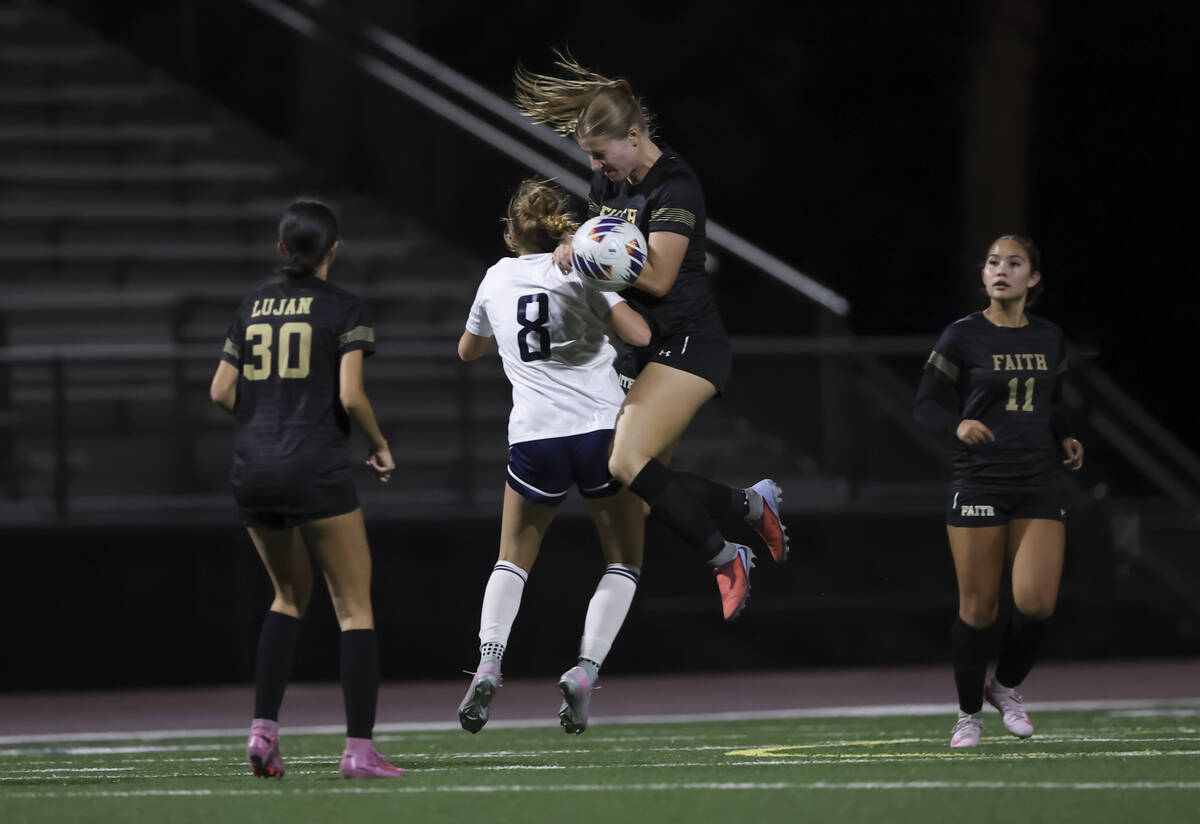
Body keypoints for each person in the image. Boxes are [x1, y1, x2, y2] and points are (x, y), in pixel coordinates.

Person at [512, 53, 790, 622]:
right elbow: (604, 247)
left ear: (634, 136)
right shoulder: (607, 181)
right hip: (643, 347)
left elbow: (658, 276)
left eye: (601, 153)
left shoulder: (677, 187)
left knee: (627, 460)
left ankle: (726, 556)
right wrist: (573, 242)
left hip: (691, 344)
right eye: (589, 156)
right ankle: (748, 502)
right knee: (635, 494)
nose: (594, 165)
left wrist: (588, 252)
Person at [209, 200, 405, 779]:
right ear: (333, 250)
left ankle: (263, 733)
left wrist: (267, 417)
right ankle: (359, 750)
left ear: (281, 250)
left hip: (254, 470)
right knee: (354, 607)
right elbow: (350, 397)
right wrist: (379, 445)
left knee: (287, 597)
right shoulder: (344, 307)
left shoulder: (251, 304)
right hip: (314, 466)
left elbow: (221, 390)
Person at [456, 179, 651, 735]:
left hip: (535, 436)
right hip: (600, 432)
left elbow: (467, 350)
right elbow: (637, 333)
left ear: (513, 233)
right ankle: (586, 671)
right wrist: (608, 281)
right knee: (623, 560)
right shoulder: (583, 267)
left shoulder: (496, 275)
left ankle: (490, 661)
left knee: (512, 559)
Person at [914, 234, 1085, 748]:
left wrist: (1066, 436)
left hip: (1036, 480)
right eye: (993, 262)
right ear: (983, 275)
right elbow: (925, 404)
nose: (1001, 270)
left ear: (1032, 279)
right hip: (979, 480)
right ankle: (968, 715)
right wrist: (957, 426)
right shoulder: (961, 336)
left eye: (1014, 263)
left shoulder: (1050, 337)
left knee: (1035, 605)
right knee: (980, 610)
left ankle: (1005, 687)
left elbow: (1052, 403)